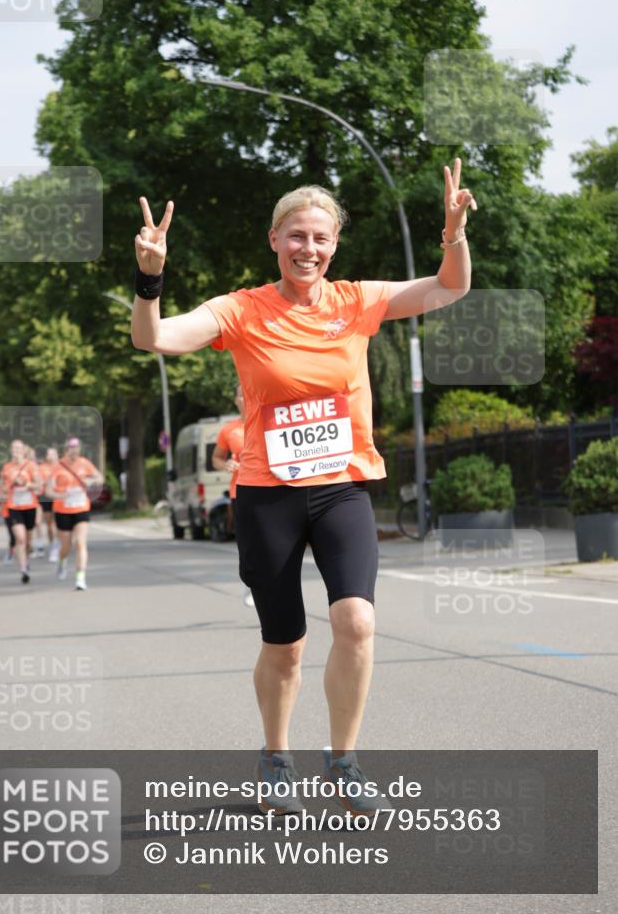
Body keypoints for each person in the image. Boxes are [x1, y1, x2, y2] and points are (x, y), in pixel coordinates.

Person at [131, 159, 475, 816]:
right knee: (284, 644)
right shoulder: (239, 309)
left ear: (334, 244)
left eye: (319, 237)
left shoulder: (357, 301)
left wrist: (452, 233)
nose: (307, 248)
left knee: (356, 621)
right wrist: (149, 276)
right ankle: (274, 755)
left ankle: (343, 761)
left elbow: (448, 288)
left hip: (342, 486)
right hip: (267, 494)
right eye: (295, 236)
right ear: (273, 240)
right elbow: (154, 338)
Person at [211, 382, 253, 606]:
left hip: (268, 489)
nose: (245, 399)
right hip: (240, 491)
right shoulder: (229, 429)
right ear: (236, 400)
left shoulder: (267, 422)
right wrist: (225, 464)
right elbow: (216, 458)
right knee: (246, 541)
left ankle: (267, 582)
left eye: (248, 393)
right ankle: (250, 582)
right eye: (240, 395)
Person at [45, 437, 103, 591]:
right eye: (71, 448)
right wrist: (60, 496)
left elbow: (100, 477)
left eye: (77, 448)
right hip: (63, 509)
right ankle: (61, 561)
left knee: (80, 542)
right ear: (66, 450)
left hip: (81, 508)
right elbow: (48, 491)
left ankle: (80, 578)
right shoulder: (57, 467)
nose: (74, 451)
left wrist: (91, 481)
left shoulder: (85, 463)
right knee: (66, 546)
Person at [0, 439, 41, 584]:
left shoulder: (31, 466)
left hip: (29, 506)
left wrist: (26, 484)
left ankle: (26, 560)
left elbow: (39, 485)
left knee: (28, 541)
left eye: (18, 448)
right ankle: (23, 569)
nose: (16, 451)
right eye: (13, 448)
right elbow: (3, 489)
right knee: (20, 538)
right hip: (14, 506)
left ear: (24, 450)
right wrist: (12, 484)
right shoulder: (6, 468)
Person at [38, 447, 60, 563]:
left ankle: (60, 543)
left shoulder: (62, 466)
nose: (51, 456)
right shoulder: (42, 468)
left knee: (59, 523)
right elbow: (39, 482)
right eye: (49, 454)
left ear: (57, 455)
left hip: (59, 496)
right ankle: (54, 545)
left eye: (53, 454)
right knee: (50, 524)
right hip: (46, 497)